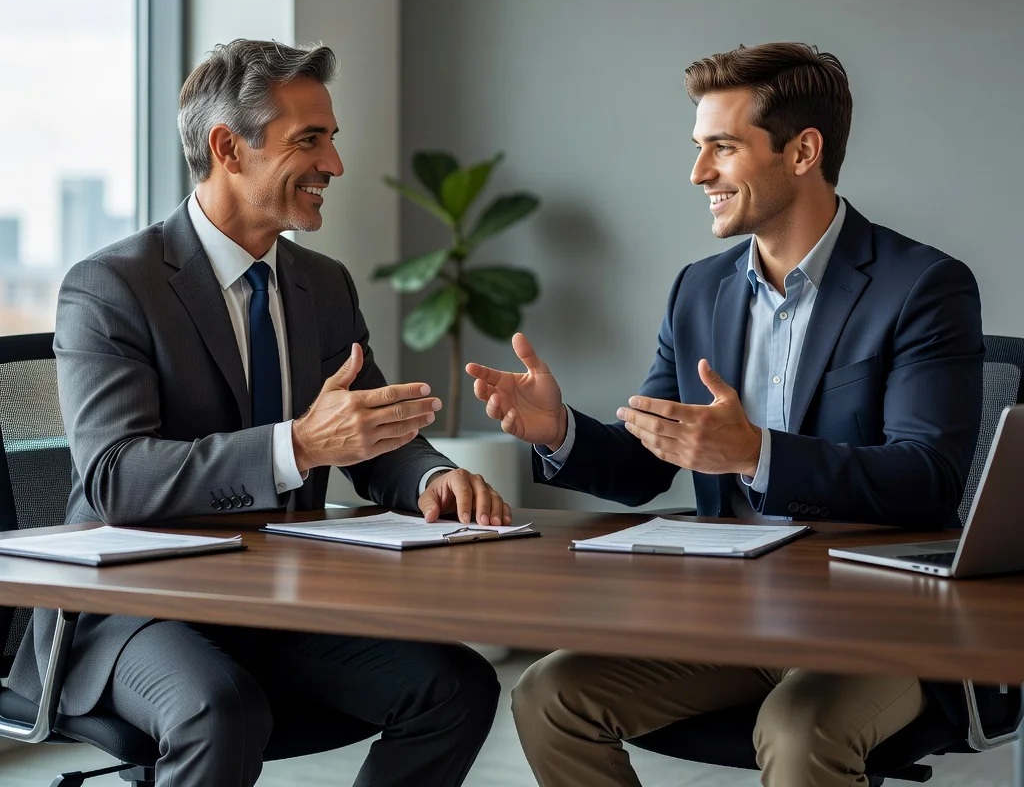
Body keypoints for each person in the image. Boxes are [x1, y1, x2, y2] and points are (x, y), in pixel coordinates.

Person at [466, 42, 984, 787]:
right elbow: (651, 463)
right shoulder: (698, 290)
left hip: (878, 620)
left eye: (722, 147)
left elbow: (928, 479)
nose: (698, 173)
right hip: (737, 621)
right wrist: (559, 431)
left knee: (798, 726)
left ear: (804, 150)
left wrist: (756, 455)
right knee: (550, 694)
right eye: (698, 147)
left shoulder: (923, 286)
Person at [10, 39, 511, 787]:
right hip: (133, 608)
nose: (335, 165)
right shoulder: (112, 287)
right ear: (227, 148)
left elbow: (370, 439)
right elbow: (116, 477)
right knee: (222, 709)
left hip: (273, 596)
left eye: (332, 139)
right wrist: (298, 446)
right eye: (309, 140)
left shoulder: (323, 284)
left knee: (456, 688)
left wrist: (432, 475)